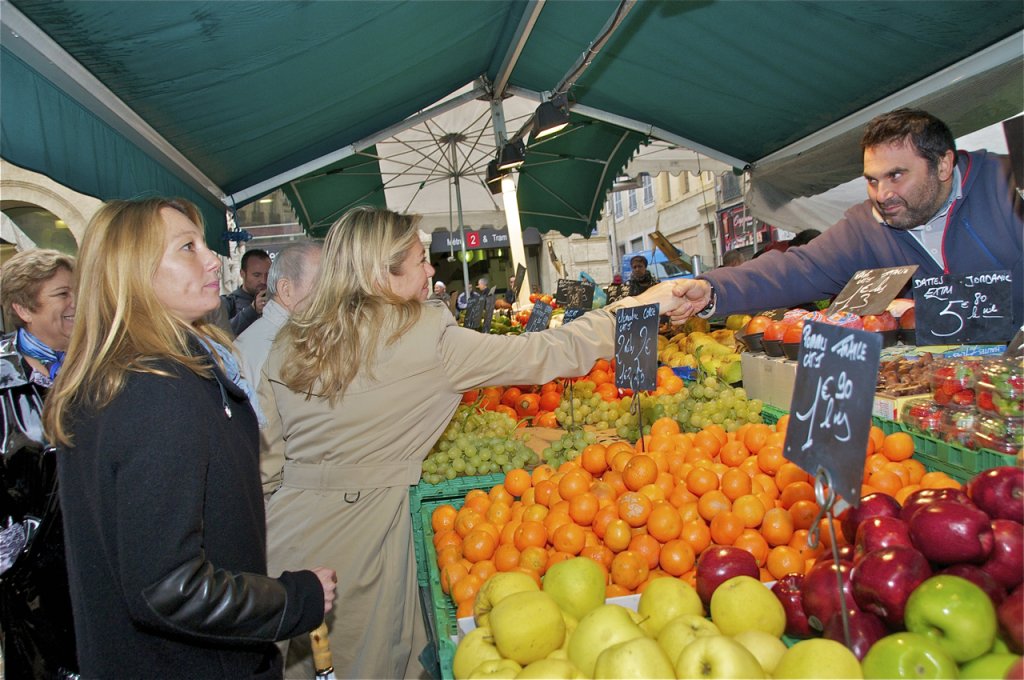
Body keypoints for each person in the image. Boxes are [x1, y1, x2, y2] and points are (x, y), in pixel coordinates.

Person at [257, 206, 692, 679]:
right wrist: (637, 309)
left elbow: (264, 464)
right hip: (364, 538)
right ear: (383, 272)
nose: (431, 269)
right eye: (420, 259)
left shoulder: (292, 339)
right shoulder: (426, 336)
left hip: (285, 536)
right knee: (368, 663)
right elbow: (551, 352)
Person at [43, 198, 336, 679]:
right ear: (133, 271)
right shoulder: (155, 389)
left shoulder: (124, 375)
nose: (210, 260)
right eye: (187, 247)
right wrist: (293, 598)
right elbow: (167, 585)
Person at [672, 108, 1024, 330]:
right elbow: (798, 268)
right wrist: (712, 290)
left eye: (897, 176)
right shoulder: (868, 226)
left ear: (944, 165)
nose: (882, 194)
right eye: (872, 180)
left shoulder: (1007, 188)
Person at [0, 249, 78, 678]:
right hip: (30, 580)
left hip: (92, 557)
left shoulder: (90, 364)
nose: (75, 304)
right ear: (24, 308)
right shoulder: (3, 376)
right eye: (62, 294)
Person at [235, 240, 322, 389]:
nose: (333, 291)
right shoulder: (266, 348)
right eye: (321, 283)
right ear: (286, 289)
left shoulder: (303, 334)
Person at [223, 248, 272, 335]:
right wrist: (252, 310)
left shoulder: (276, 299)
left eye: (268, 275)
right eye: (257, 275)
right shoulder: (229, 303)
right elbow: (222, 335)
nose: (263, 281)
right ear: (242, 274)